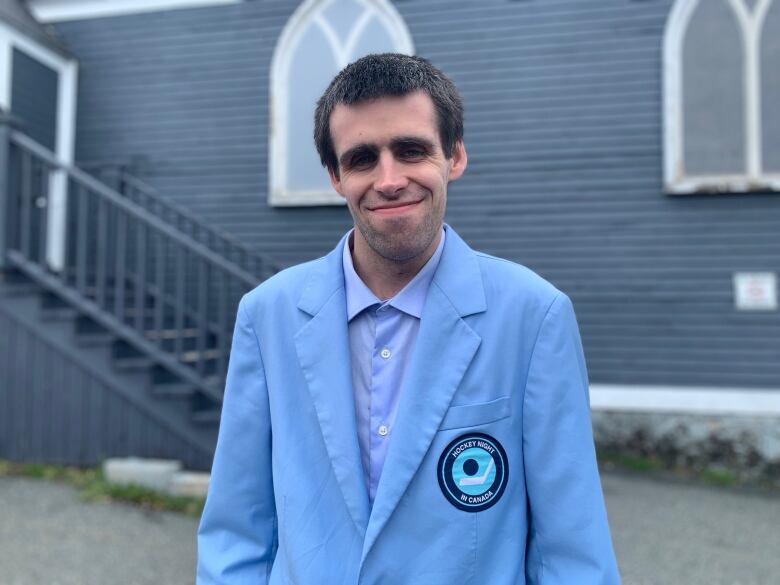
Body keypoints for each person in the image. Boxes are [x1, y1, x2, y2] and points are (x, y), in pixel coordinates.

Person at [197, 53, 620, 585]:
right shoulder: (268, 316)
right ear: (335, 177)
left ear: (455, 157)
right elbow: (237, 529)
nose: (389, 179)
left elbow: (571, 548)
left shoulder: (533, 316)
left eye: (412, 150)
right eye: (362, 159)